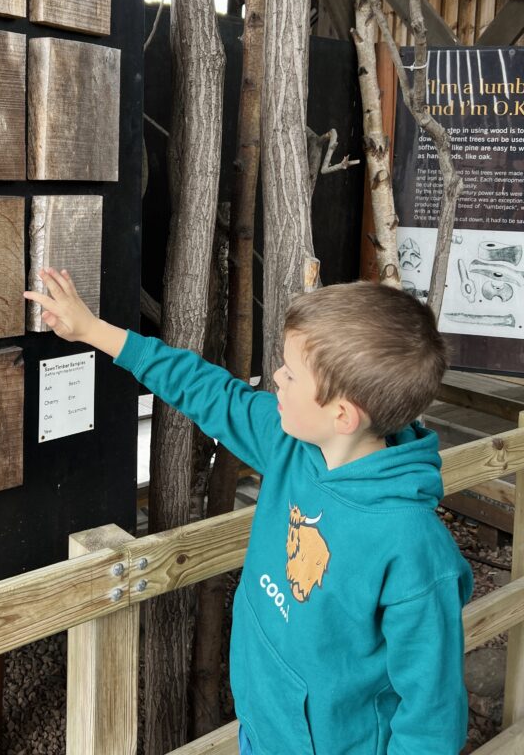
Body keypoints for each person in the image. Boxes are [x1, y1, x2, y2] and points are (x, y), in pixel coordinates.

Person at [24, 269, 473, 755]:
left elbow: (431, 715)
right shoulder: (292, 445)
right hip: (262, 729)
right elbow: (206, 389)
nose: (276, 378)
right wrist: (92, 330)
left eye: (291, 373)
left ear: (342, 414)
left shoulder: (414, 550)